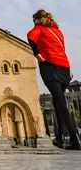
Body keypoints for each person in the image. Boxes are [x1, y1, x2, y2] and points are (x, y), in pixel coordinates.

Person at [27, 9, 80, 150]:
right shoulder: (57, 32)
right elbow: (62, 49)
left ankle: (74, 139)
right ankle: (60, 138)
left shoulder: (39, 29)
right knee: (58, 101)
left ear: (37, 20)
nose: (34, 23)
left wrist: (37, 54)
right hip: (64, 68)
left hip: (50, 66)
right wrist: (68, 69)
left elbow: (30, 37)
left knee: (61, 103)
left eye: (34, 20)